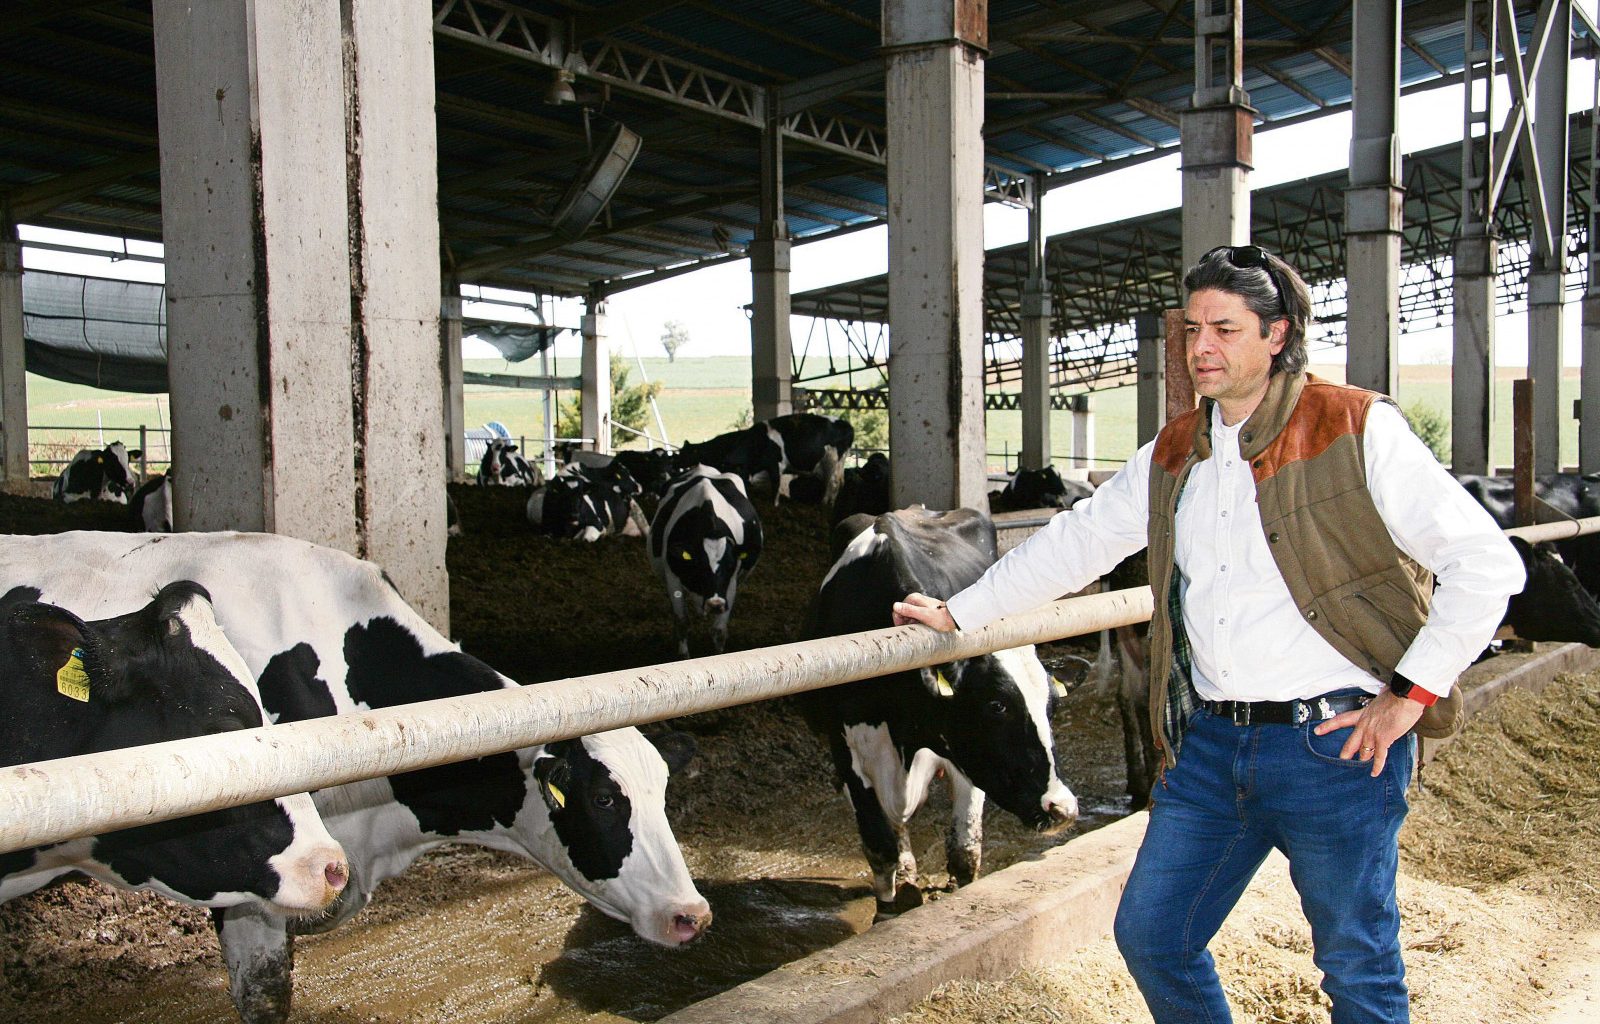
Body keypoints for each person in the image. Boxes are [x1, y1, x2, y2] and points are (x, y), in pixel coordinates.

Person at [891, 244, 1524, 1023]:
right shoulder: (1177, 447)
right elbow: (1080, 539)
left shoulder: (1355, 425)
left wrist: (1407, 697)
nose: (1200, 349)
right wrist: (963, 613)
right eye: (1191, 329)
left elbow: (1487, 565)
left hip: (1333, 744)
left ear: (1279, 335)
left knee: (1356, 964)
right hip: (1212, 745)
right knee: (1154, 934)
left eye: (1224, 328)